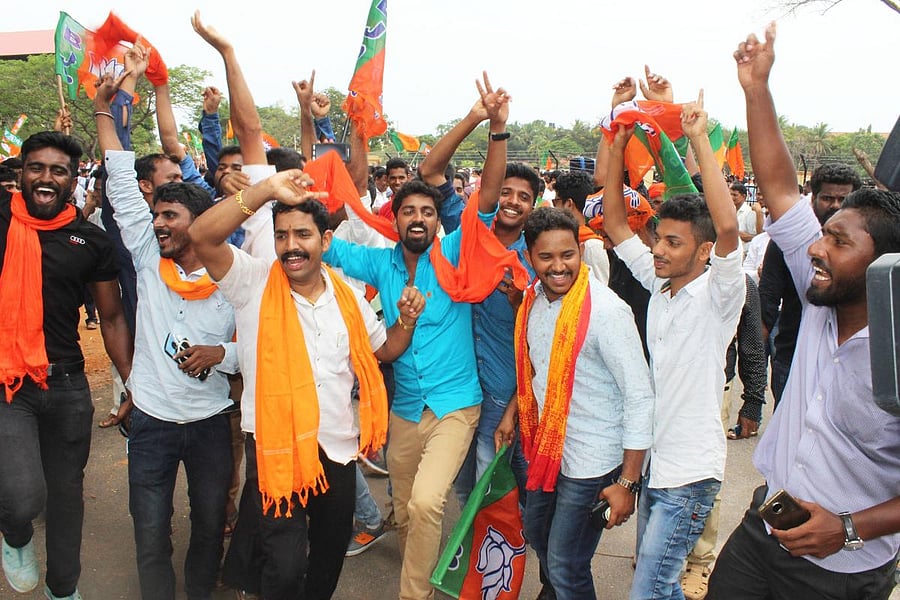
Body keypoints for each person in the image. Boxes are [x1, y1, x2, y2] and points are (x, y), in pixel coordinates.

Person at [708, 23, 900, 600]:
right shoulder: (818, 305)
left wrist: (847, 529)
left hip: (843, 569)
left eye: (839, 242)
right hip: (763, 531)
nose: (817, 246)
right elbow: (780, 188)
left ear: (885, 266)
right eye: (824, 233)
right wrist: (756, 87)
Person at [322, 73, 524, 600]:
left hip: (458, 405)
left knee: (427, 502)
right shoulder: (378, 262)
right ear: (395, 218)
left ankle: (415, 595)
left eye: (427, 211)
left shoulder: (455, 252)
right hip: (405, 410)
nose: (417, 217)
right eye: (407, 210)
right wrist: (284, 188)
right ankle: (425, 573)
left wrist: (492, 126)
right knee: (408, 510)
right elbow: (319, 243)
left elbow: (489, 193)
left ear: (438, 221)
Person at [190, 163, 424, 599]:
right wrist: (263, 190)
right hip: (276, 446)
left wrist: (406, 322)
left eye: (303, 235)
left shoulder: (348, 298)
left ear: (325, 240)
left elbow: (384, 350)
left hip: (335, 448)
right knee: (283, 564)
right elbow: (202, 236)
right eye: (282, 236)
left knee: (329, 554)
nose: (291, 247)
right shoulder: (254, 283)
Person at [94, 61, 241, 600]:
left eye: (171, 218)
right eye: (156, 216)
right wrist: (103, 110)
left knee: (208, 528)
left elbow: (254, 345)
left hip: (209, 425)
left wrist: (219, 352)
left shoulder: (234, 274)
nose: (158, 225)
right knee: (150, 531)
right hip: (152, 423)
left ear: (199, 226)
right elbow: (117, 172)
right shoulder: (142, 251)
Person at [603, 90, 744, 600]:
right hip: (656, 468)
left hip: (690, 473)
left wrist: (700, 139)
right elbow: (617, 225)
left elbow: (727, 225)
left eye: (672, 243)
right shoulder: (661, 285)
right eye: (658, 239)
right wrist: (618, 145)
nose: (657, 250)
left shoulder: (721, 295)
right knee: (658, 587)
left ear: (704, 251)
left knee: (649, 589)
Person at [0, 130, 133, 600]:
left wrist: (131, 383)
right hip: (8, 384)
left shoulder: (91, 241)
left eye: (59, 170)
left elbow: (112, 317)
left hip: (68, 386)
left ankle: (63, 588)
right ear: (21, 172)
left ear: (73, 178)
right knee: (22, 497)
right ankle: (15, 535)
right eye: (37, 167)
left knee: (66, 497)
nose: (46, 178)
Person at [495, 206, 653, 600]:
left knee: (566, 564)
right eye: (546, 257)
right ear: (529, 257)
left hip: (592, 462)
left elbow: (640, 395)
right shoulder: (531, 301)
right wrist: (512, 413)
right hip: (547, 453)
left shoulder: (606, 311)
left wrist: (627, 483)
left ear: (580, 252)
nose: (559, 266)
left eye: (568, 254)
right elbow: (538, 369)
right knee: (538, 536)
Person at [757, 162, 861, 407]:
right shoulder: (790, 242)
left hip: (847, 360)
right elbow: (768, 298)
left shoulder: (867, 245)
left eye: (842, 198)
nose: (835, 205)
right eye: (827, 198)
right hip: (792, 354)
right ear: (813, 197)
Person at [552, 170, 610, 284]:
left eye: (555, 202)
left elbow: (599, 290)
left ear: (568, 204)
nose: (554, 208)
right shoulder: (557, 238)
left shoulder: (592, 246)